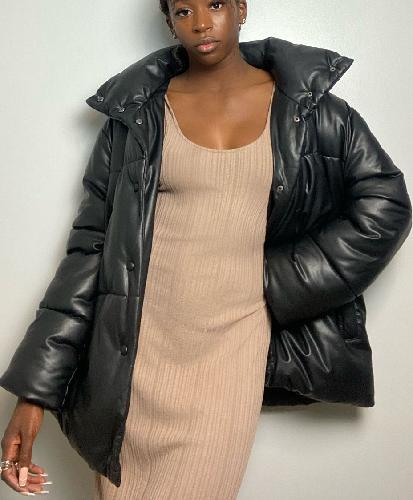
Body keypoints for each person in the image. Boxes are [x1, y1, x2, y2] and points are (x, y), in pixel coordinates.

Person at [1, 0, 411, 498]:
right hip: (131, 363)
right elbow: (90, 251)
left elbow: (386, 205)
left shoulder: (311, 111)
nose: (200, 23)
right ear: (169, 21)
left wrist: (277, 281)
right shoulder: (135, 117)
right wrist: (33, 394)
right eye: (182, 10)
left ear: (241, 9)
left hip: (230, 354)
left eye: (215, 3)